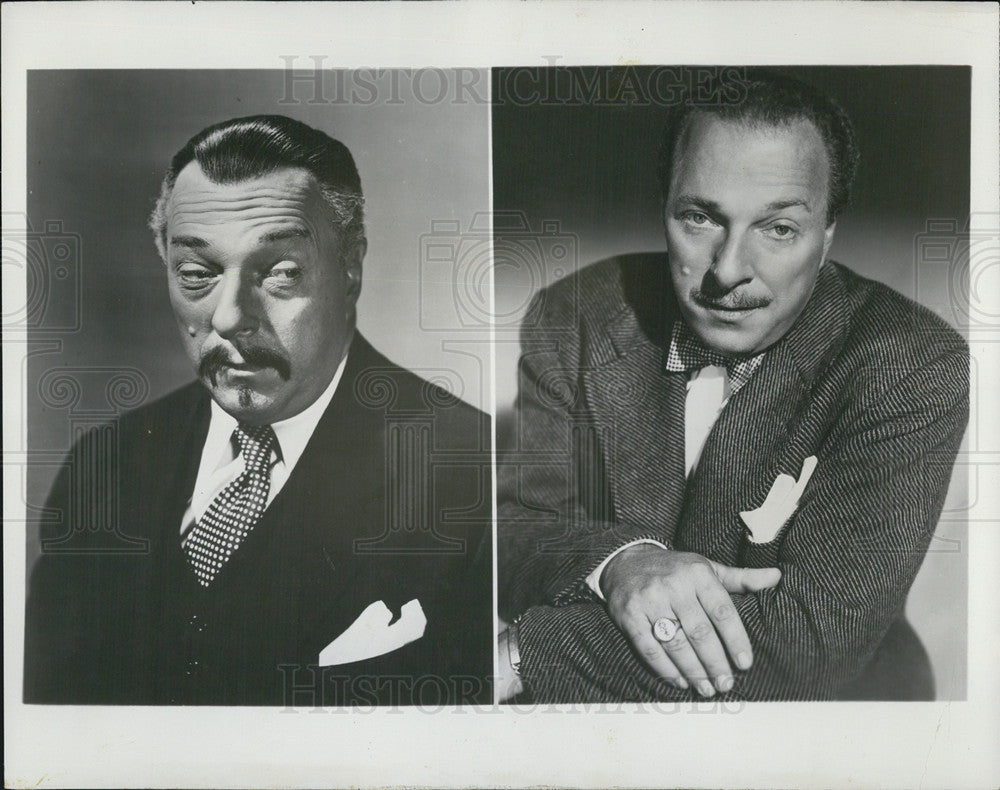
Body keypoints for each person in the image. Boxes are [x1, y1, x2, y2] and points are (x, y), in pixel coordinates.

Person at [496, 71, 969, 702]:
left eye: (777, 229)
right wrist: (622, 563)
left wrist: (524, 655)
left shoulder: (912, 362)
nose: (727, 271)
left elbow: (808, 643)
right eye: (699, 218)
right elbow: (513, 528)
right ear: (663, 206)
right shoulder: (574, 316)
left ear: (827, 233)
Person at [24, 115, 492, 706]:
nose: (226, 318)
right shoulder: (103, 466)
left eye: (279, 273)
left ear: (352, 265)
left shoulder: (477, 471)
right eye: (196, 274)